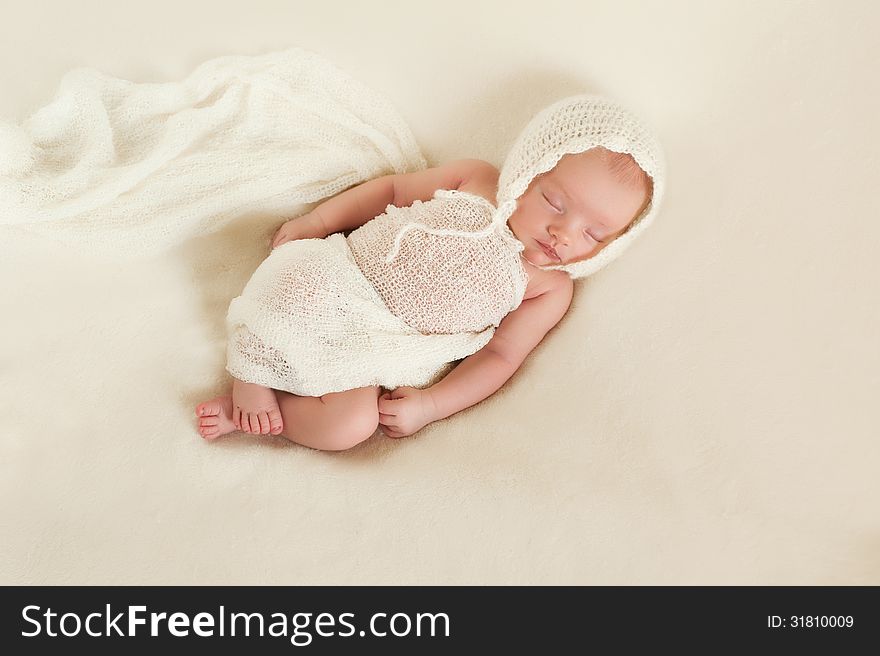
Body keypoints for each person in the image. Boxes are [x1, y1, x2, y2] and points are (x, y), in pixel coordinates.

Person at [194, 94, 665, 450]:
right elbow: (393, 191)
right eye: (554, 202)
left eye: (594, 235)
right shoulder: (477, 180)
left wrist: (432, 404)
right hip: (345, 278)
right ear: (529, 167)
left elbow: (500, 356)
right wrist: (318, 222)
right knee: (293, 274)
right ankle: (251, 375)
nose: (563, 232)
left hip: (382, 346)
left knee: (351, 426)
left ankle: (261, 417)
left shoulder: (547, 288)